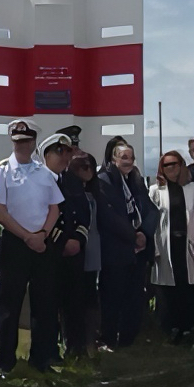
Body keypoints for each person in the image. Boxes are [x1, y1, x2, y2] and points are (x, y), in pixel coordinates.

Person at [0, 120, 64, 376]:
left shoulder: (45, 173)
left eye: (27, 141)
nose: (22, 145)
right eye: (18, 141)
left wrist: (42, 234)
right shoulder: (1, 171)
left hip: (43, 243)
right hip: (14, 242)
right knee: (9, 305)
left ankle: (41, 359)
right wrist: (26, 236)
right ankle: (4, 361)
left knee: (45, 304)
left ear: (33, 143)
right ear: (13, 142)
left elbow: (55, 208)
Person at [96, 140, 155, 347]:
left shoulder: (135, 180)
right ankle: (109, 339)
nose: (128, 161)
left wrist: (145, 234)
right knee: (112, 297)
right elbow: (108, 216)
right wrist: (133, 235)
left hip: (137, 250)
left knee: (134, 296)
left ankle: (128, 340)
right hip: (116, 249)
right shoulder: (103, 180)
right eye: (123, 157)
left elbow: (149, 209)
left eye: (131, 157)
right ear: (113, 159)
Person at [149, 150, 194, 344]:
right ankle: (170, 327)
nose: (172, 168)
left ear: (182, 165)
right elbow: (153, 224)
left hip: (188, 244)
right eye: (167, 165)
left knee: (187, 286)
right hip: (166, 246)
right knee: (167, 287)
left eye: (175, 164)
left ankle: (187, 327)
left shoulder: (193, 188)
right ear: (162, 169)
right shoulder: (155, 190)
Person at [41, 133, 89, 364]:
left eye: (68, 153)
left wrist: (78, 239)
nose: (65, 158)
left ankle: (75, 347)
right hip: (50, 250)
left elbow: (83, 213)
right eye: (60, 152)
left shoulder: (71, 181)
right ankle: (49, 352)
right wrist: (62, 241)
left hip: (74, 252)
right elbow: (39, 216)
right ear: (46, 155)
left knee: (75, 302)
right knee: (49, 303)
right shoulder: (40, 180)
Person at [62, 152, 106, 357]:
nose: (88, 172)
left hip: (93, 247)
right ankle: (73, 342)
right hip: (78, 247)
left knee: (89, 295)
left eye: (91, 167)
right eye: (84, 167)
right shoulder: (69, 189)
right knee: (74, 297)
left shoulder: (93, 190)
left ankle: (89, 340)